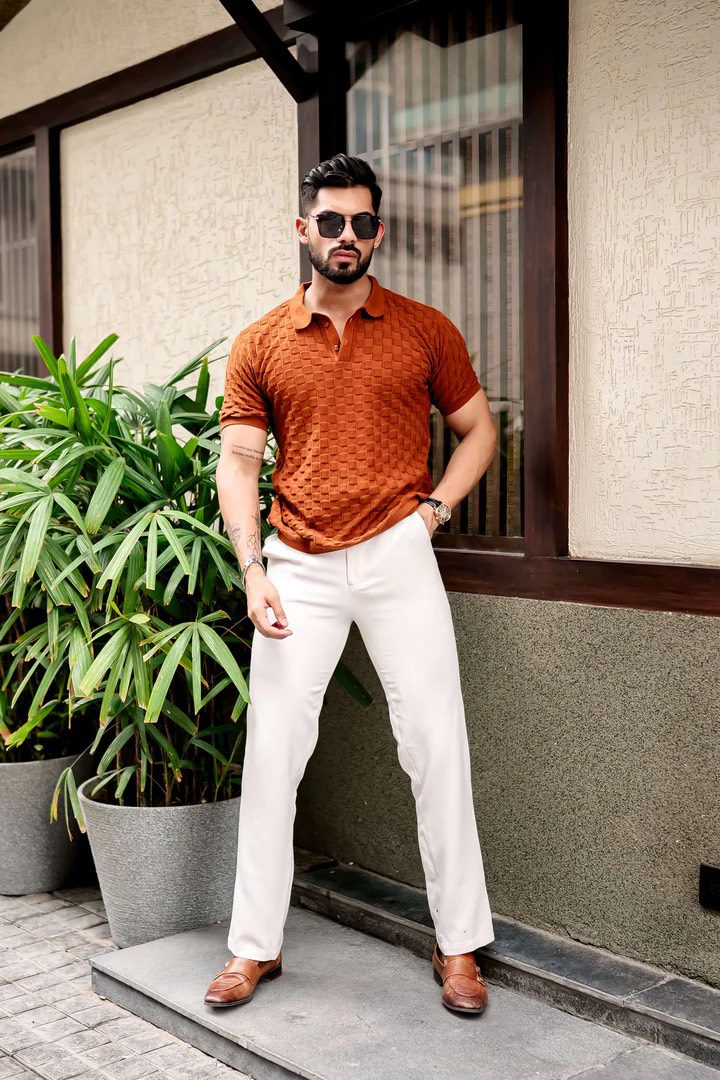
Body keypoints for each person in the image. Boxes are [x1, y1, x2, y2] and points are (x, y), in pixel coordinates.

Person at [205, 153, 497, 1015]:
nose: (346, 236)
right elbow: (238, 461)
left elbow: (479, 431)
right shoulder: (262, 342)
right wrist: (252, 568)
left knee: (436, 743)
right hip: (296, 562)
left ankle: (459, 945)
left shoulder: (424, 329)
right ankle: (254, 947)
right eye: (330, 222)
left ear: (379, 231)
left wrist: (432, 514)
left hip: (398, 555)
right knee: (273, 752)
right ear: (304, 229)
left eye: (361, 223)